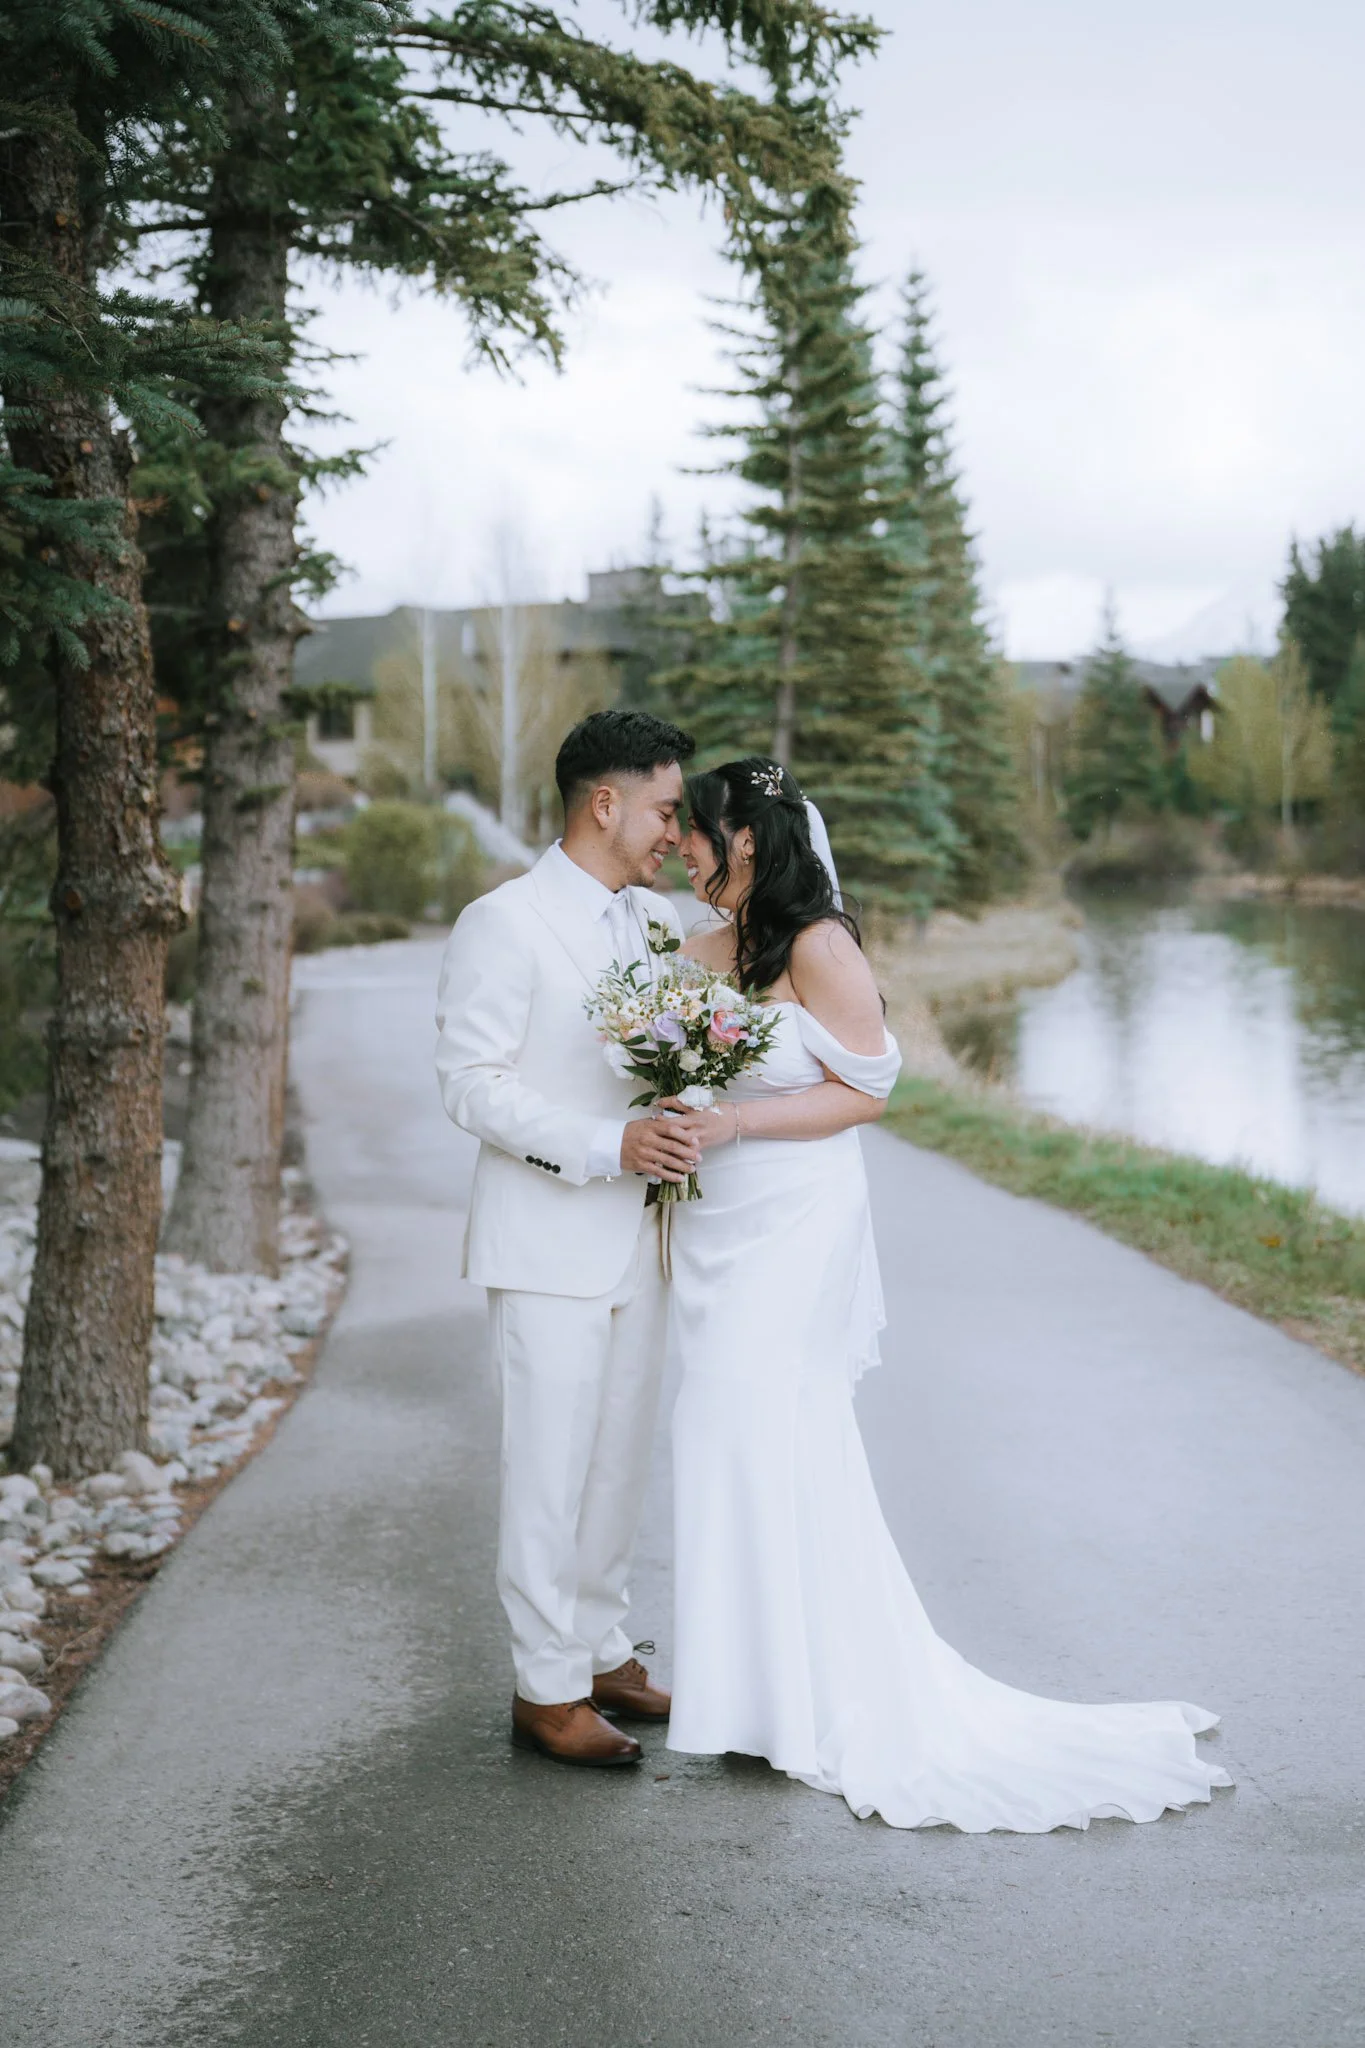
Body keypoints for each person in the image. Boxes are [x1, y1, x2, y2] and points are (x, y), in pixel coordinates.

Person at [661, 756, 1233, 1831]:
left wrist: (733, 1120)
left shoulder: (823, 947)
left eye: (697, 829)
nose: (684, 846)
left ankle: (808, 1695)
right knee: (732, 1434)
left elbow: (866, 1092)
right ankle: (758, 1691)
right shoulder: (702, 948)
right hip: (718, 1225)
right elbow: (666, 1051)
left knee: (753, 1415)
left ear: (746, 836)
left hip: (793, 1220)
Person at [434, 709, 702, 1767]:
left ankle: (598, 1647)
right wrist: (609, 1141)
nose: (675, 835)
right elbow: (470, 1085)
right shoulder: (501, 922)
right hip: (547, 1238)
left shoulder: (652, 920)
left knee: (619, 1461)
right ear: (605, 802)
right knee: (549, 1467)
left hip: (644, 1238)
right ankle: (544, 1689)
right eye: (665, 811)